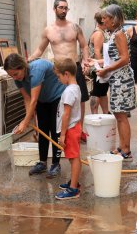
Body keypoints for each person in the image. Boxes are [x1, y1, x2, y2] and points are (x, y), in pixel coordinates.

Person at [28, 0, 90, 142]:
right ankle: (61, 130)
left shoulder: (75, 27)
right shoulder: (48, 30)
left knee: (79, 100)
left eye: (66, 8)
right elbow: (40, 49)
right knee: (60, 100)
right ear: (54, 9)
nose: (64, 10)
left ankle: (79, 129)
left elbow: (84, 46)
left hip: (74, 67)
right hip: (59, 70)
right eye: (61, 7)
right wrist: (30, 59)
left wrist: (86, 61)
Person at [4, 53, 65, 178]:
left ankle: (55, 164)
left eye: (15, 74)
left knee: (55, 131)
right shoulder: (18, 79)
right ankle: (42, 163)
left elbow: (33, 100)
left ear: (23, 67)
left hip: (57, 97)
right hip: (43, 100)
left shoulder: (36, 70)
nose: (14, 78)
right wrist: (28, 118)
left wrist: (25, 122)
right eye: (11, 75)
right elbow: (27, 99)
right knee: (42, 130)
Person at [96, 4, 137, 160]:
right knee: (119, 115)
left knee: (121, 116)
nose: (103, 19)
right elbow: (113, 58)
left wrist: (106, 70)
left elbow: (124, 59)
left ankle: (126, 149)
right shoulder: (115, 33)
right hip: (117, 78)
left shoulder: (119, 34)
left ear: (113, 19)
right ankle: (122, 146)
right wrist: (97, 61)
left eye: (105, 17)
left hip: (121, 79)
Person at [53, 58, 82, 200]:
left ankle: (73, 189)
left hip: (70, 129)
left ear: (66, 74)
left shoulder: (69, 91)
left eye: (58, 76)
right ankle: (74, 182)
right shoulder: (75, 88)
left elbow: (66, 115)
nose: (58, 80)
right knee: (74, 158)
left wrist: (63, 135)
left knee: (74, 158)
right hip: (73, 127)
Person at [88, 11, 110, 114]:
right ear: (102, 20)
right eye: (106, 18)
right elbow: (97, 51)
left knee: (103, 92)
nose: (108, 20)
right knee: (97, 92)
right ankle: (94, 114)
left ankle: (106, 112)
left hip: (99, 66)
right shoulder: (99, 34)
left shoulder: (101, 32)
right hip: (98, 68)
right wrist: (101, 68)